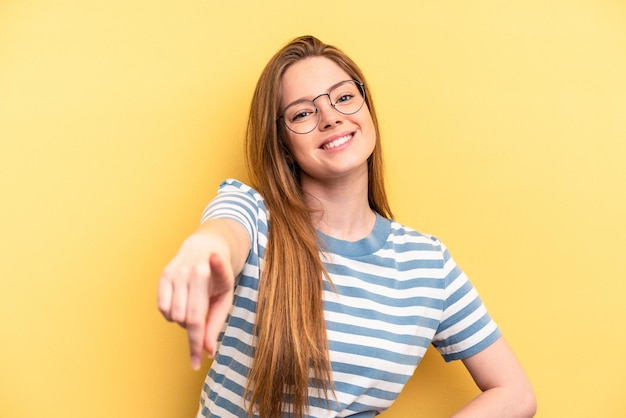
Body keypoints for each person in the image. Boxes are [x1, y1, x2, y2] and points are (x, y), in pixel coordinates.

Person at [157, 35, 536, 418]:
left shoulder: (429, 265)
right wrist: (202, 253)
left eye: (343, 97)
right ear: (284, 143)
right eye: (303, 113)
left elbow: (516, 395)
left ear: (366, 107)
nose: (331, 117)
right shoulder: (255, 216)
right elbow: (222, 235)